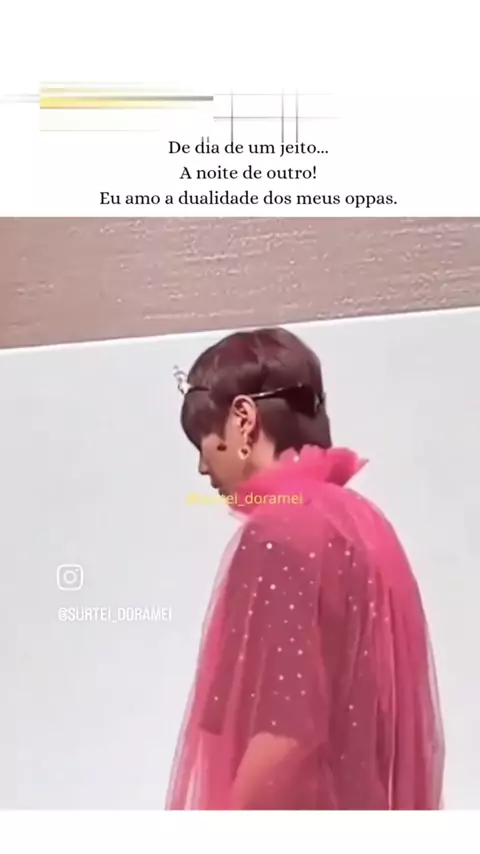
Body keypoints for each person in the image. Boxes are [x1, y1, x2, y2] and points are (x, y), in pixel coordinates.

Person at [166, 327, 444, 810]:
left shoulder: (279, 534)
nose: (202, 468)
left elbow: (283, 735)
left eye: (204, 440)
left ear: (243, 420)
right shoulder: (362, 523)